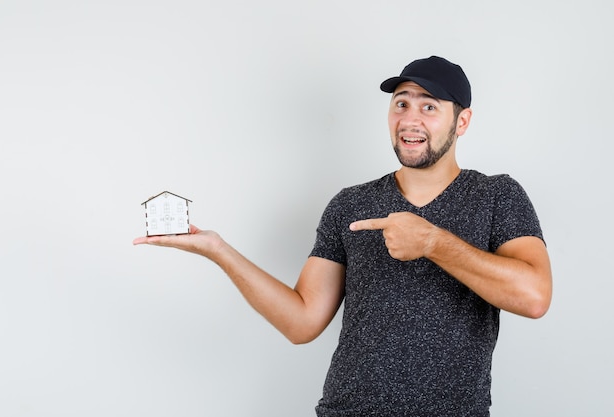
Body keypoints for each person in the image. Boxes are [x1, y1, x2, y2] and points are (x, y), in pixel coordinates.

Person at [133, 55, 552, 416]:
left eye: (429, 107)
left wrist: (432, 243)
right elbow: (302, 322)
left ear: (462, 121)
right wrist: (218, 250)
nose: (409, 118)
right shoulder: (350, 205)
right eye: (400, 103)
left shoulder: (498, 196)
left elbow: (534, 297)